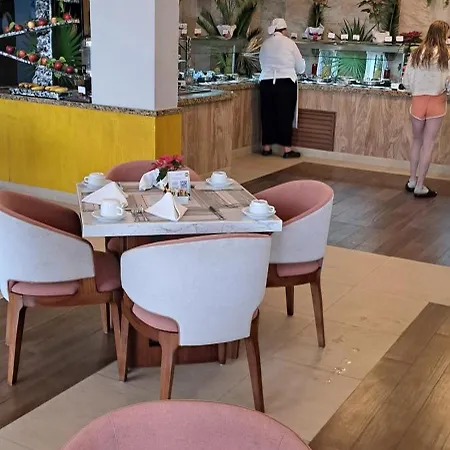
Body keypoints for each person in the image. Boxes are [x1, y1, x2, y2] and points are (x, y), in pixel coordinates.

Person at [403, 20, 450, 198]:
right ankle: (420, 185)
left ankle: (412, 180)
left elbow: (406, 82)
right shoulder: (446, 56)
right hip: (437, 102)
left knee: (417, 141)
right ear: (443, 35)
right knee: (428, 144)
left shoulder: (416, 54)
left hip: (418, 101)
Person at [259, 18, 305, 158]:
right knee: (285, 115)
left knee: (267, 115)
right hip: (285, 83)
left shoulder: (265, 44)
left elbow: (261, 63)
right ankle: (287, 150)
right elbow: (300, 67)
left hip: (266, 82)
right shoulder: (290, 43)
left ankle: (266, 148)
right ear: (284, 30)